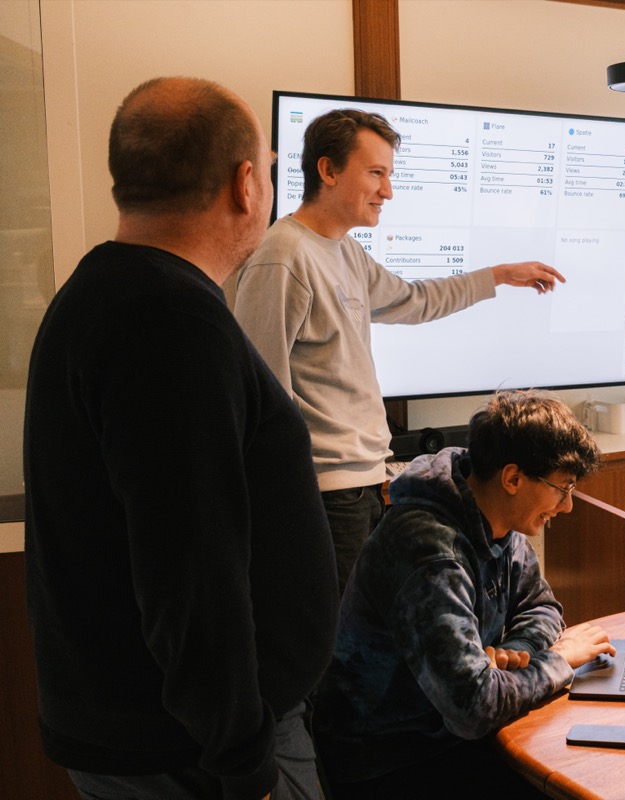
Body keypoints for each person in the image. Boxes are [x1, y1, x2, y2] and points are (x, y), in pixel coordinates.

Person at [23, 77, 339, 800]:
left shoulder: (101, 294)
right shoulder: (169, 323)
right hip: (192, 751)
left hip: (155, 733)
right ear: (245, 184)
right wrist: (244, 760)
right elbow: (190, 565)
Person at [233, 109, 566, 594]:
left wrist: (497, 276)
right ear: (328, 170)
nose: (387, 191)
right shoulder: (282, 256)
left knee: (363, 625)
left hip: (364, 484)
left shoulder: (345, 251)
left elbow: (414, 300)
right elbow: (258, 395)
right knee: (335, 630)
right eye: (376, 173)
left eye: (388, 175)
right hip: (324, 493)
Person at [312, 390, 615, 798]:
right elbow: (474, 707)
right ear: (512, 479)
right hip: (392, 761)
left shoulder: (499, 521)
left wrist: (517, 651)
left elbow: (540, 606)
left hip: (450, 739)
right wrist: (559, 659)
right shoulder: (430, 552)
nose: (567, 506)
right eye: (562, 488)